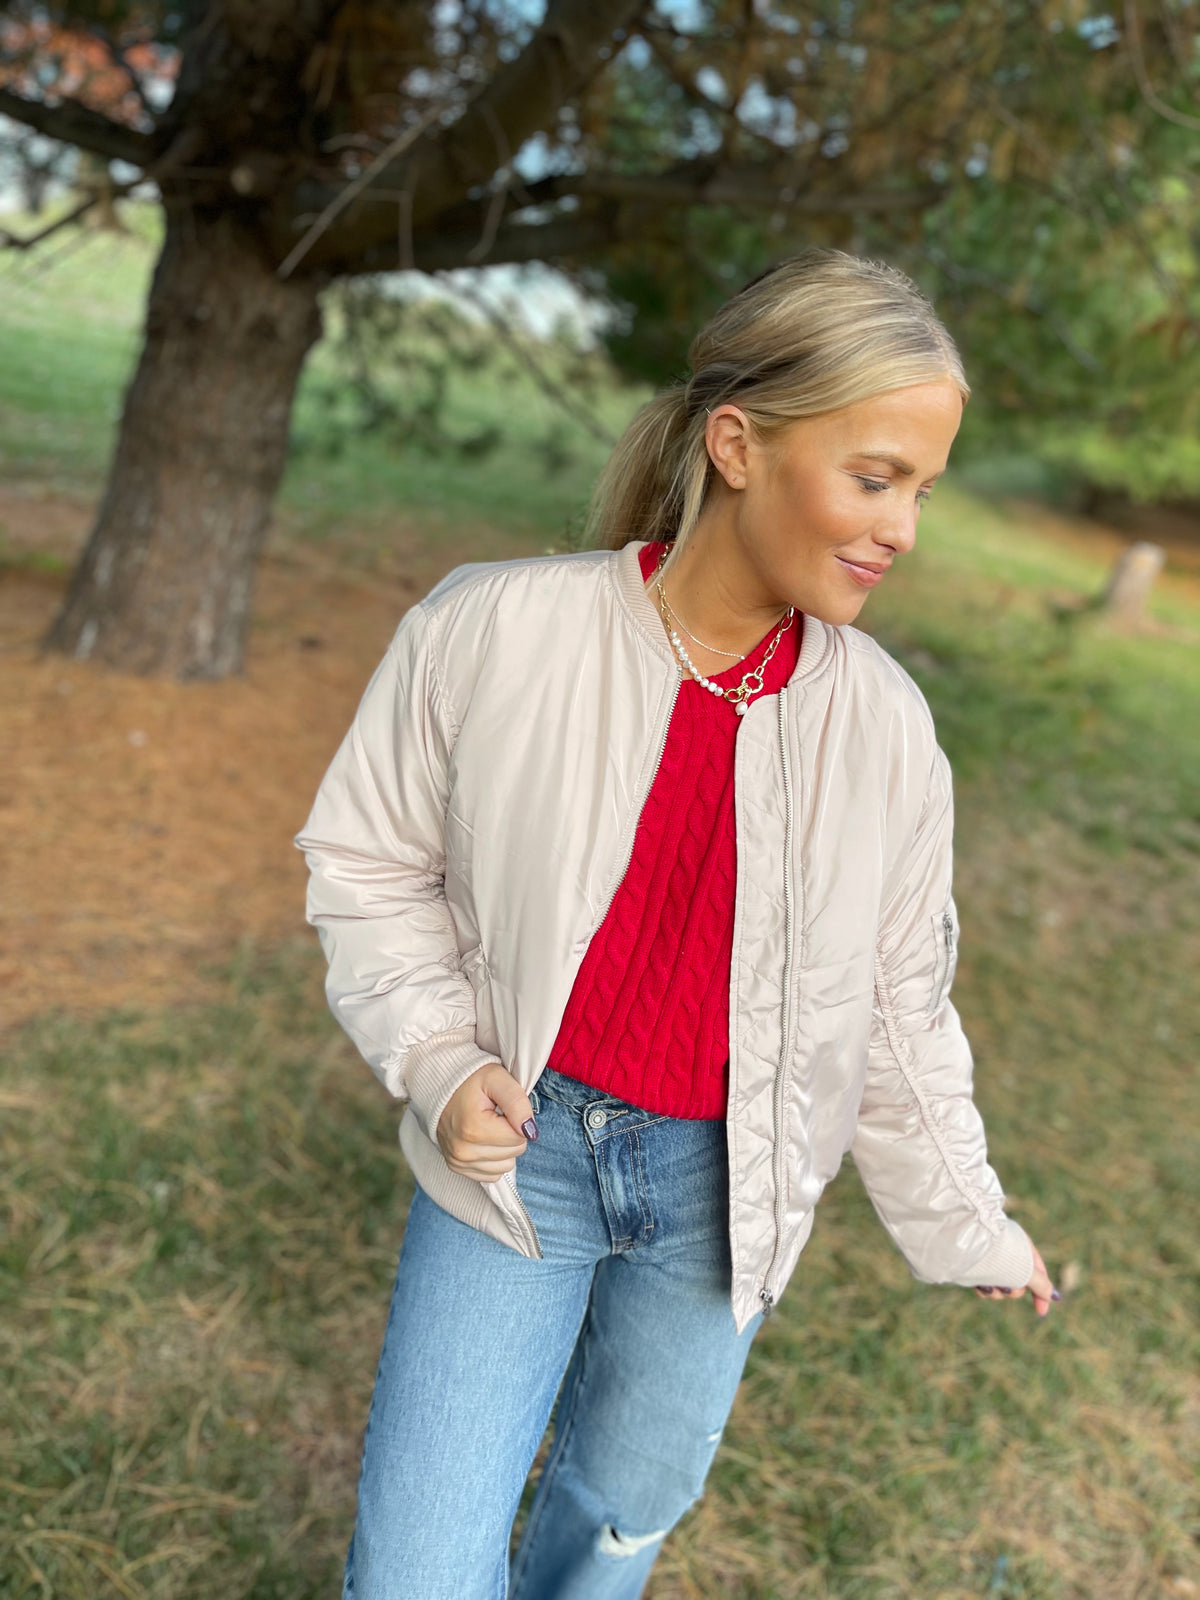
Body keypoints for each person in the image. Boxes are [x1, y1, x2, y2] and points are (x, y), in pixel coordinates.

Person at [293, 247, 1060, 1600]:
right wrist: (436, 1058)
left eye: (923, 493)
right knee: (416, 1569)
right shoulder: (495, 628)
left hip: (730, 1190)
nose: (904, 530)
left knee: (616, 1520)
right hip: (514, 1160)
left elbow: (899, 1007)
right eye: (875, 478)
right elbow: (368, 861)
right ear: (738, 444)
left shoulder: (885, 730)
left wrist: (967, 1218)